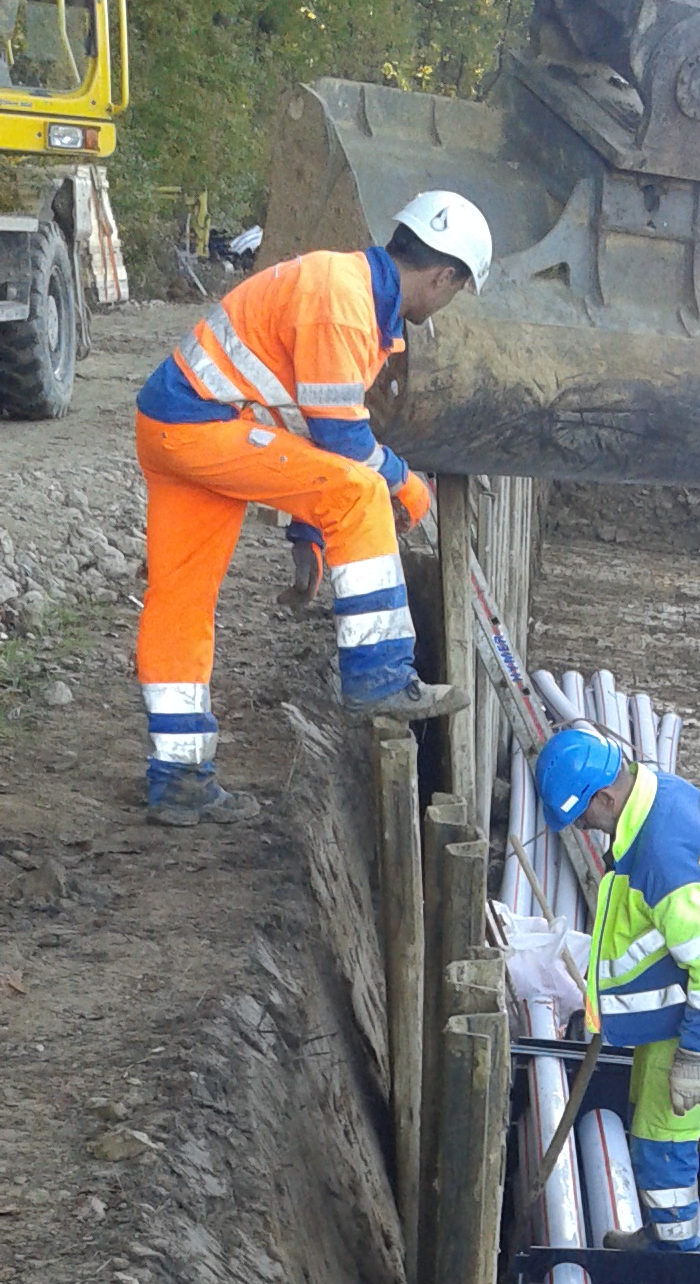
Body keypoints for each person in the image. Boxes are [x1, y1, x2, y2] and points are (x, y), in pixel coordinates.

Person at [132, 190, 493, 827]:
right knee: (362, 491)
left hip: (177, 425)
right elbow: (342, 445)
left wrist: (309, 530)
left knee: (181, 600)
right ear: (444, 277)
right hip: (205, 429)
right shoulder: (345, 305)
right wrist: (408, 485)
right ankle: (379, 671)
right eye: (456, 291)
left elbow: (294, 419)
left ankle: (179, 775)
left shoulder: (346, 288)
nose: (445, 305)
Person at [534, 724, 700, 1249]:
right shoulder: (665, 794)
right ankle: (664, 1238)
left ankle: (674, 1258)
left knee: (662, 1144)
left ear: (606, 797)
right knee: (645, 1112)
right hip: (677, 1002)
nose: (585, 829)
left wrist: (695, 1056)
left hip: (697, 1012)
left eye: (583, 816)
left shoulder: (661, 858)